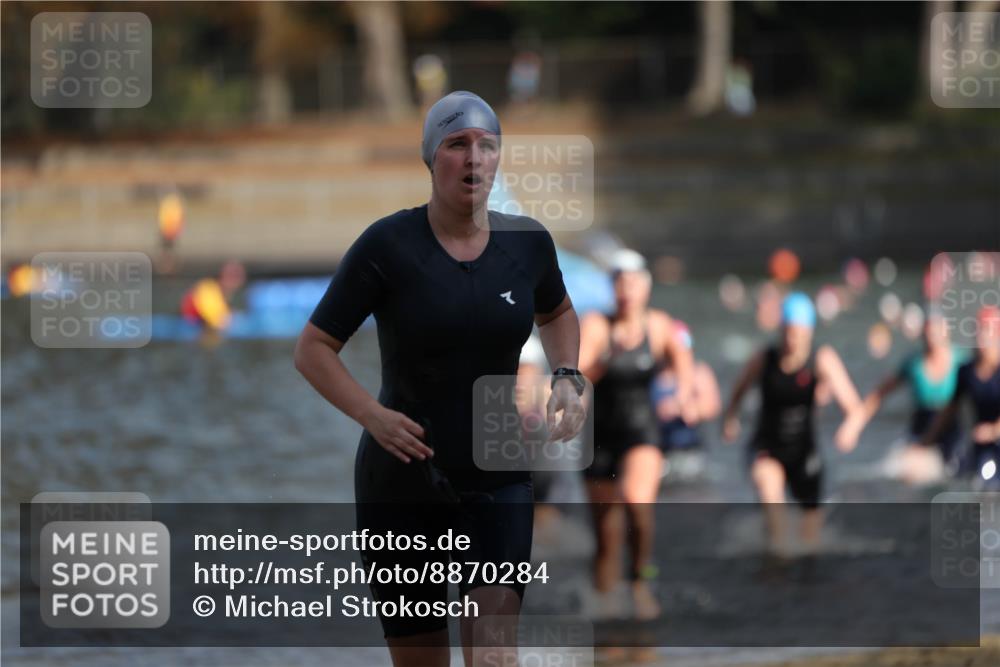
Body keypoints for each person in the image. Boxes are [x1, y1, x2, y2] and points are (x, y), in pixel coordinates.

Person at [294, 91, 585, 667]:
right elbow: (313, 349)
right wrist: (371, 416)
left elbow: (557, 313)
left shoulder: (527, 245)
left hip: (498, 473)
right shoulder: (388, 246)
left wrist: (568, 374)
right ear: (431, 158)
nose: (474, 159)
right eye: (457, 145)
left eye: (487, 146)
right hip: (402, 481)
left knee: (494, 659)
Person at [578, 248, 694, 620]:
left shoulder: (658, 325)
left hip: (642, 431)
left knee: (635, 500)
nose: (626, 290)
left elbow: (682, 360)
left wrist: (684, 394)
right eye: (619, 283)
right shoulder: (598, 324)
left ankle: (641, 579)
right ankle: (604, 615)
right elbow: (577, 376)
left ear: (645, 287)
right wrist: (607, 356)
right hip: (599, 438)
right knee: (606, 541)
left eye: (633, 283)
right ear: (612, 288)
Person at [723, 292, 864, 556]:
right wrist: (730, 417)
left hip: (805, 452)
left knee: (810, 544)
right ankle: (776, 561)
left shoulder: (821, 359)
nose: (792, 341)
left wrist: (850, 429)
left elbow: (855, 408)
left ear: (809, 332)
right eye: (787, 333)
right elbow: (739, 390)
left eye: (798, 334)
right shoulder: (765, 358)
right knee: (770, 494)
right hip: (767, 446)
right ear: (780, 329)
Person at [855, 312, 967, 484]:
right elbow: (880, 393)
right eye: (929, 332)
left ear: (946, 332)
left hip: (950, 427)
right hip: (921, 424)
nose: (932, 338)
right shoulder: (913, 363)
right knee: (905, 474)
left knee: (955, 472)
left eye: (937, 332)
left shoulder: (961, 360)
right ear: (922, 334)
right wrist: (855, 422)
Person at [924, 306, 1000, 489]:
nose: (983, 337)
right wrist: (926, 440)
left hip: (994, 439)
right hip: (980, 446)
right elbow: (950, 409)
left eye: (988, 332)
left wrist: (993, 430)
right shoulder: (966, 371)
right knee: (972, 481)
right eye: (980, 331)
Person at [651, 320, 722, 457]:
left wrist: (690, 409)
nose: (682, 352)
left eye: (686, 345)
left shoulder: (698, 372)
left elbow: (712, 406)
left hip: (688, 448)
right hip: (655, 448)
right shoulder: (651, 371)